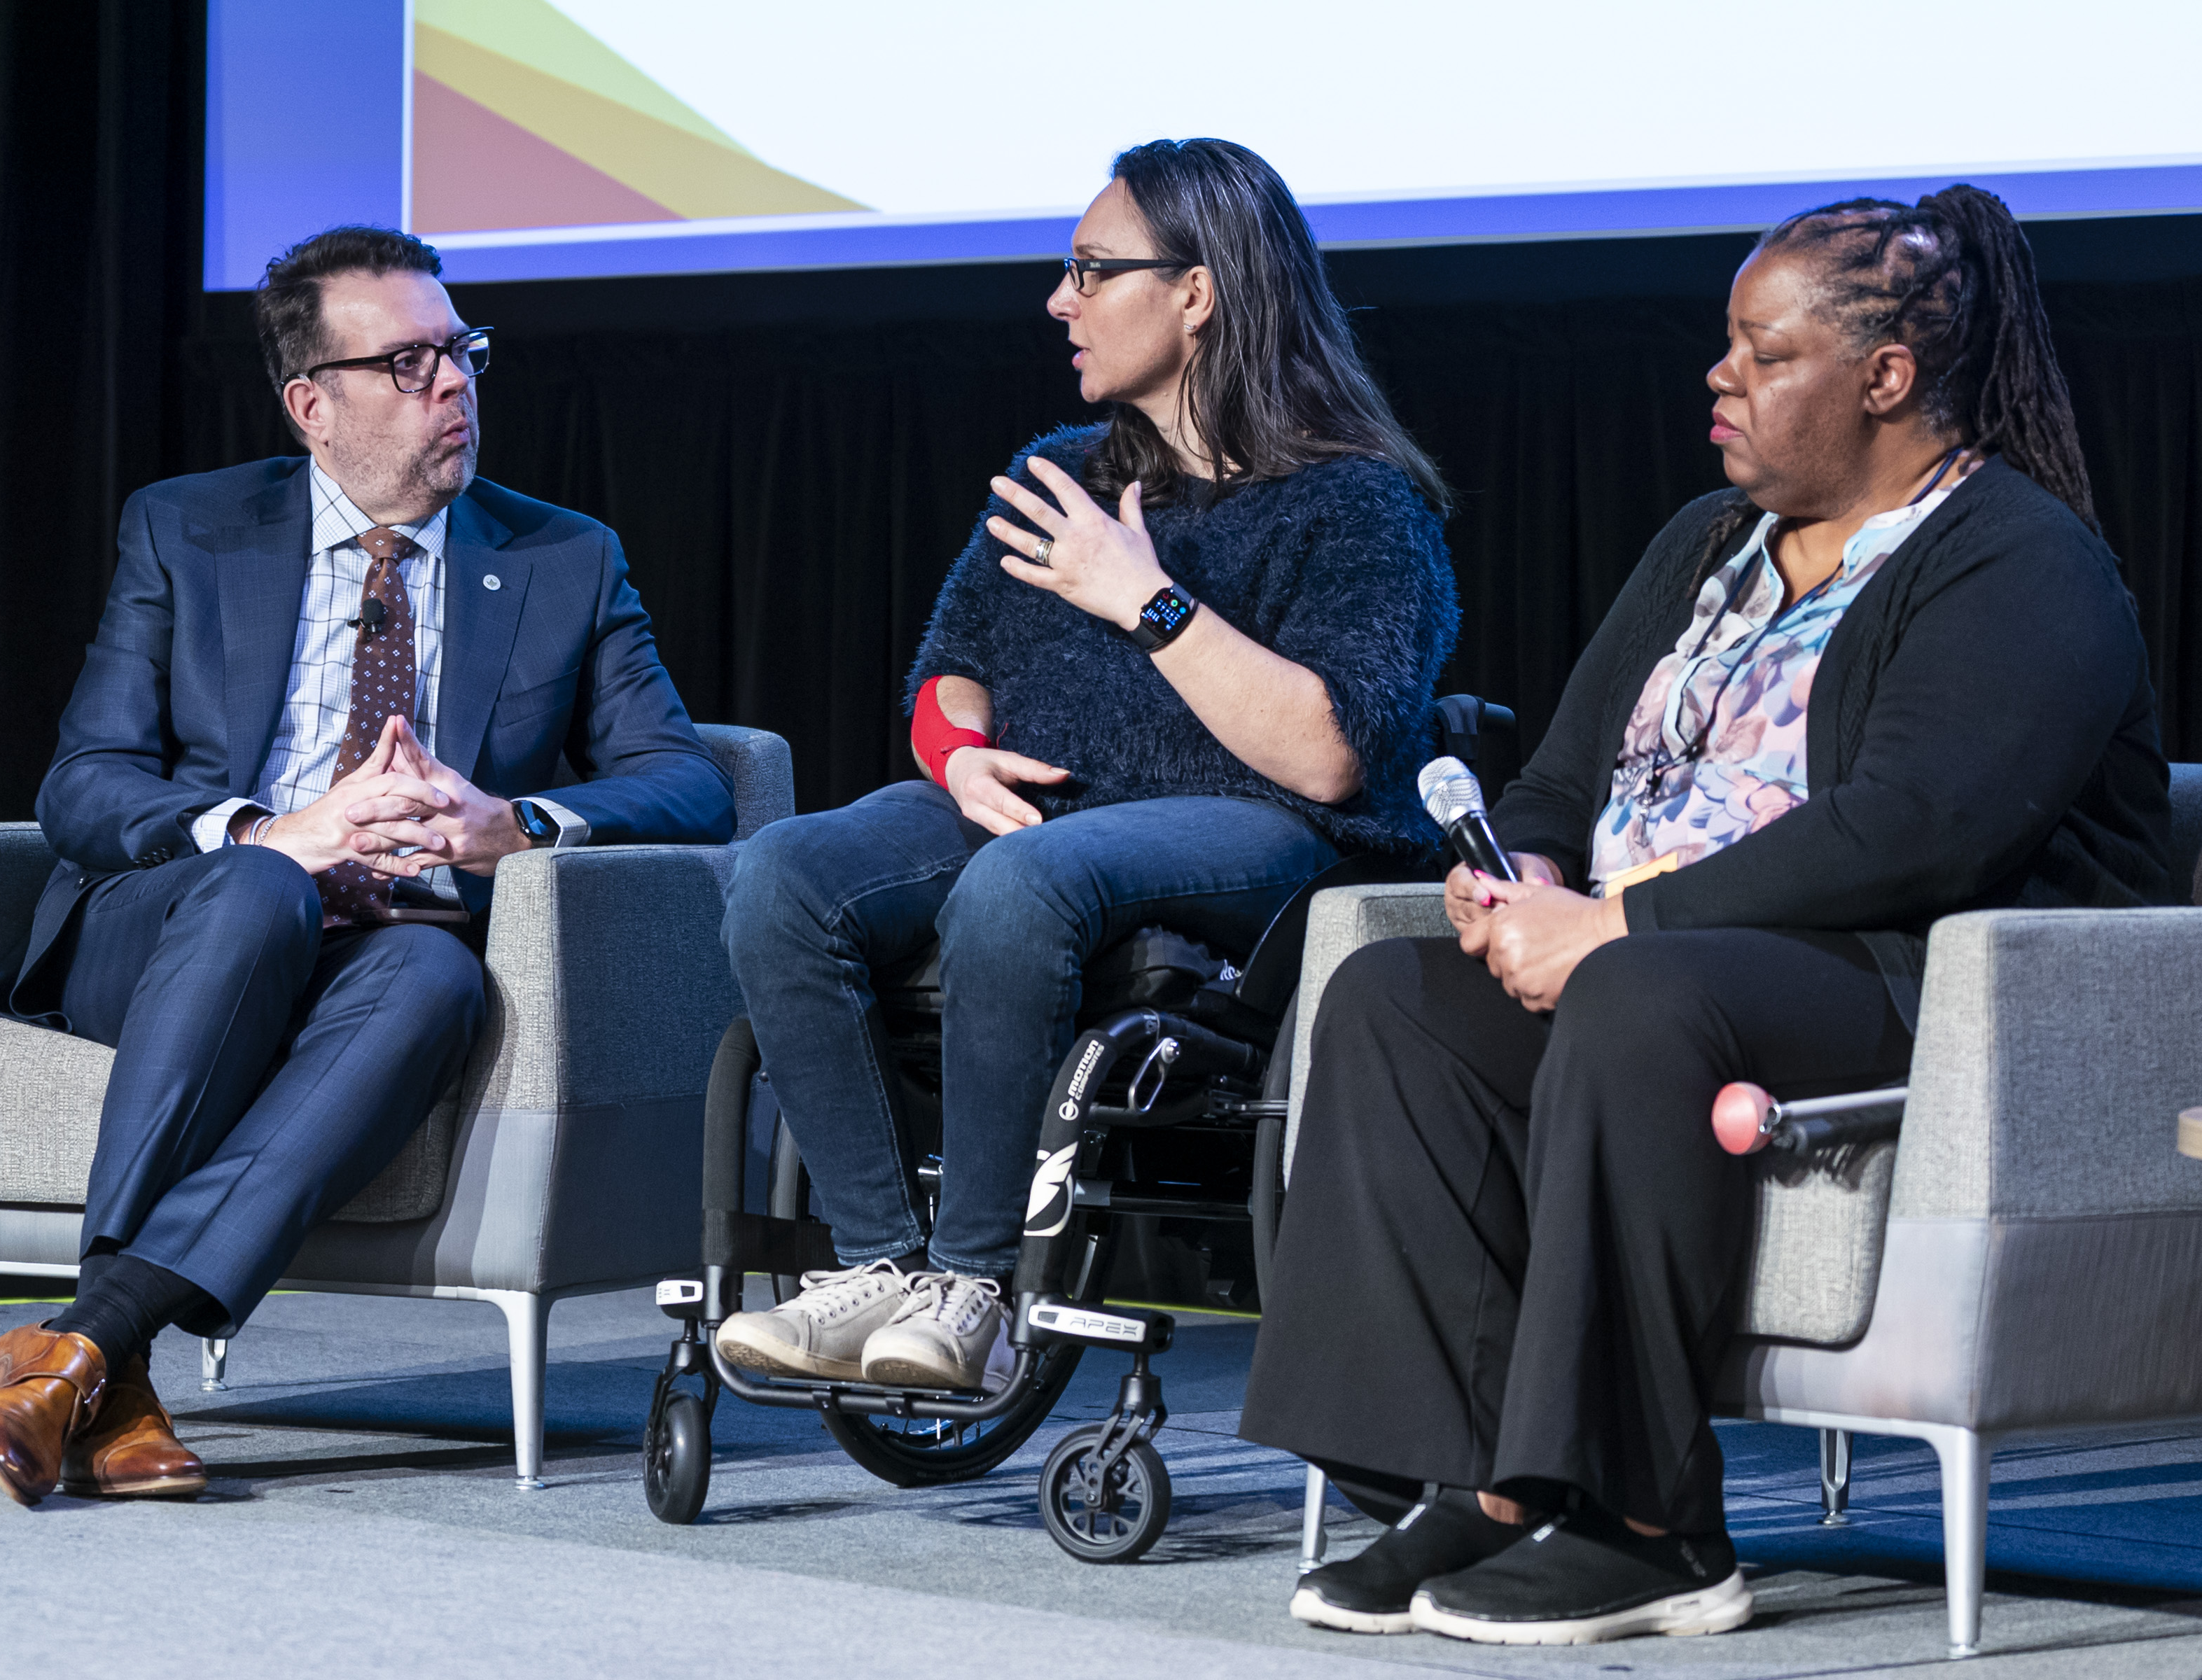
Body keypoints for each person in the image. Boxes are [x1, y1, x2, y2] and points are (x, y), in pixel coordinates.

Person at [1241, 184, 2174, 1645]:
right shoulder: (1706, 546)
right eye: (1726, 347)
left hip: (1911, 975)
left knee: (1640, 998)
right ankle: (1476, 1481)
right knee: (1392, 1001)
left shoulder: (2020, 559)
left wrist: (1620, 932)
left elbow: (1916, 830)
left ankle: (1649, 1526)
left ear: (1886, 378)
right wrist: (1530, 875)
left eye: (1763, 352)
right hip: (1676, 960)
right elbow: (1561, 779)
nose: (1719, 378)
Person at [0, 226, 733, 1506]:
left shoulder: (560, 555)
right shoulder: (187, 529)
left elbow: (692, 778)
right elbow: (84, 784)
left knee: (436, 981)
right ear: (313, 405)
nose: (455, 385)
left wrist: (516, 823)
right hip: (176, 925)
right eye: (411, 361)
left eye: (464, 352)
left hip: (392, 942)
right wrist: (269, 833)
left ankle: (82, 1352)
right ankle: (114, 1351)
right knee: (263, 890)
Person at [713, 139, 1459, 1391]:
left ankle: (977, 1284)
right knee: (785, 869)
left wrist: (1146, 601)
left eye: (1090, 271)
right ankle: (880, 1269)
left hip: (1258, 826)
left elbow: (1331, 754)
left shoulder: (1360, 502)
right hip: (1056, 809)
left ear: (1198, 292)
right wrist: (956, 762)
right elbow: (948, 669)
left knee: (1028, 883)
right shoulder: (1059, 469)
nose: (1059, 301)